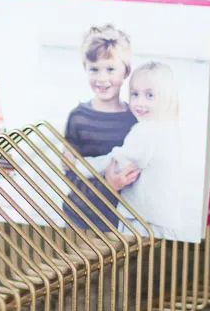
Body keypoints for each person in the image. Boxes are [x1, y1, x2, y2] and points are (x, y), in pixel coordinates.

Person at [81, 61, 182, 239]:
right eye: (135, 94)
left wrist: (82, 165)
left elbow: (118, 161)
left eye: (150, 95)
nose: (139, 102)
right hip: (165, 219)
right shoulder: (171, 128)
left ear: (167, 98)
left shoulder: (146, 131)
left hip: (143, 222)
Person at [63, 25, 137, 232]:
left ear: (126, 72)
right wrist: (108, 185)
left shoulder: (134, 120)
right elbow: (69, 172)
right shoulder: (78, 117)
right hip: (78, 219)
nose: (102, 78)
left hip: (118, 222)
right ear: (85, 68)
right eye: (94, 69)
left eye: (110, 69)